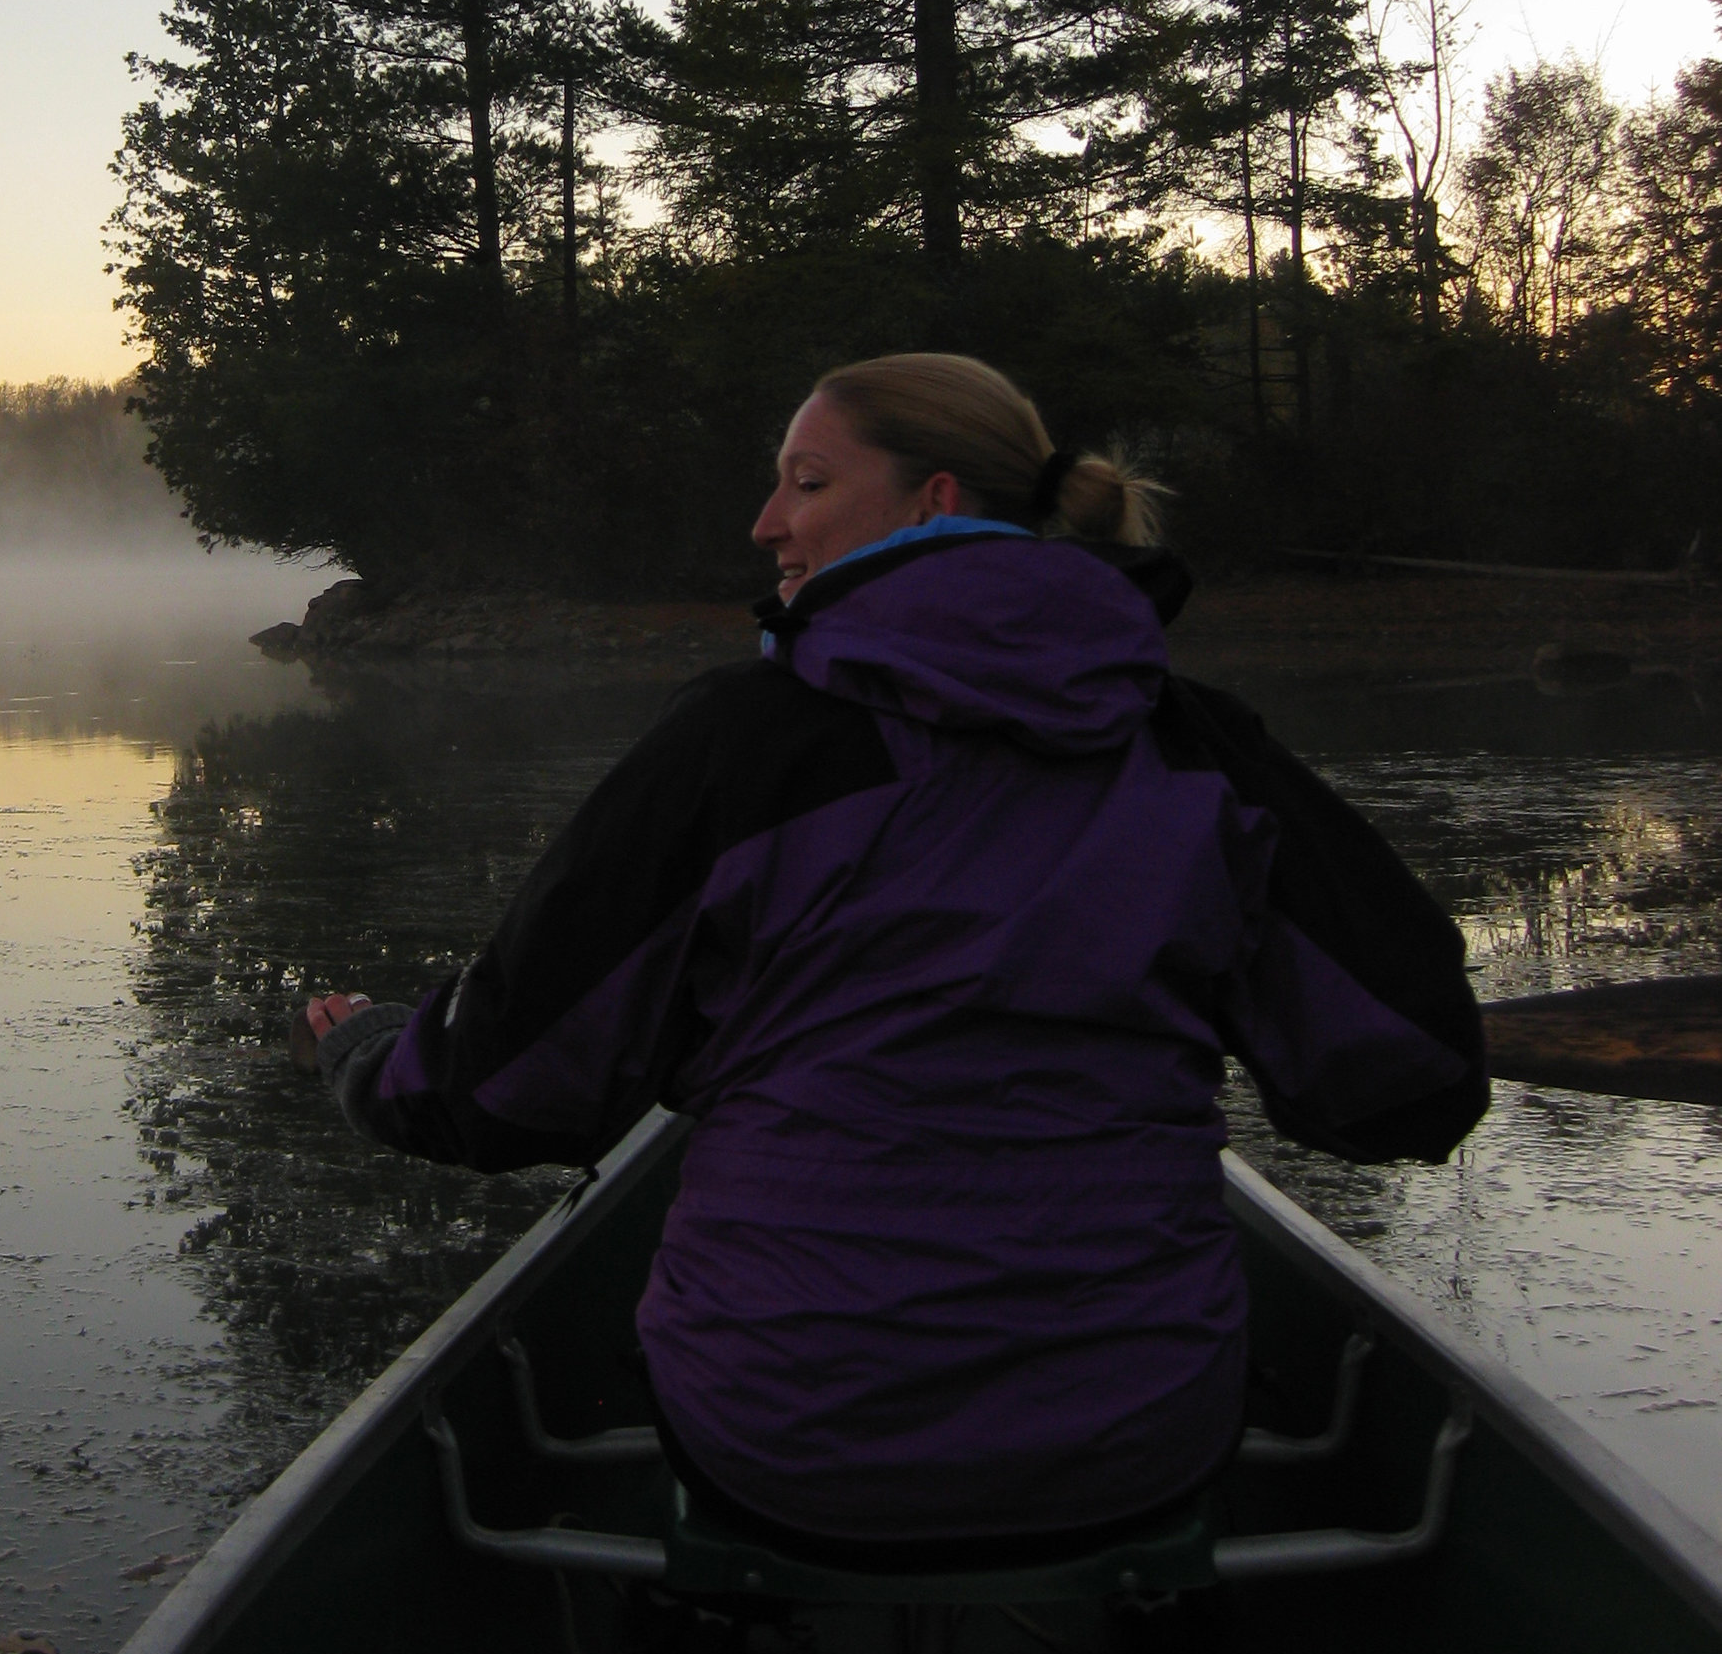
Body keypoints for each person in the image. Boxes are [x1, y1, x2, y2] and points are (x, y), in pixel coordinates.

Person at [301, 352, 1486, 1558]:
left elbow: (503, 1094)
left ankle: (708, 1610)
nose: (766, 525)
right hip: (1135, 1438)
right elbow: (1408, 1082)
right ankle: (1126, 1622)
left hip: (783, 1443)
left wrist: (370, 1055)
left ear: (935, 502)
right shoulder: (1201, 754)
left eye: (806, 483)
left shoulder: (740, 747)